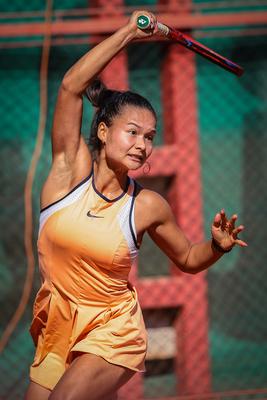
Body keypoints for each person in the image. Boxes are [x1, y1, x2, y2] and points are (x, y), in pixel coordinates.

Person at [25, 10, 247, 400]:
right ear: (104, 131)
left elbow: (188, 258)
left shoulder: (146, 205)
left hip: (114, 331)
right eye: (133, 132)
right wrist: (128, 32)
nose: (143, 145)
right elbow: (70, 87)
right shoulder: (67, 174)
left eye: (150, 136)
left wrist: (215, 247)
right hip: (58, 329)